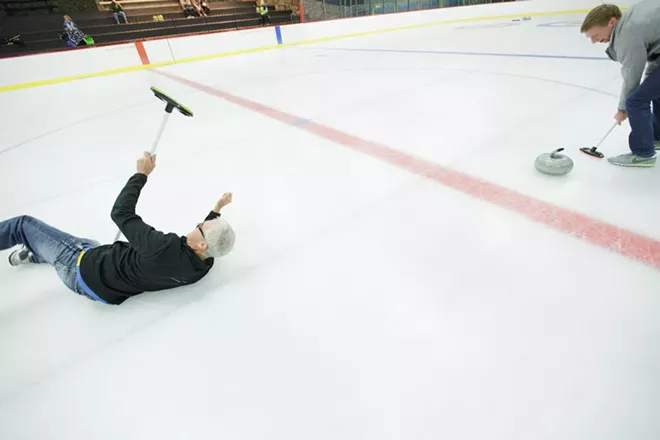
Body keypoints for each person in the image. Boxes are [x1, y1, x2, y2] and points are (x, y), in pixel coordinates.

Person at [1, 152, 236, 305]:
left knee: (23, 225)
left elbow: (120, 213)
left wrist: (141, 174)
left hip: (79, 267)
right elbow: (206, 240)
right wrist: (216, 210)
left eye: (201, 225)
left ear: (202, 244)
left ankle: (40, 251)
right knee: (84, 243)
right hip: (105, 288)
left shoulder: (162, 247)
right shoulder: (202, 265)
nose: (198, 224)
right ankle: (31, 255)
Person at [581, 1, 660, 167]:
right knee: (653, 91)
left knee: (635, 101)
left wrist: (622, 109)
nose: (594, 41)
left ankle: (643, 154)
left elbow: (632, 75)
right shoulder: (628, 18)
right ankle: (657, 137)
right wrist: (652, 70)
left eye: (595, 35)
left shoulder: (628, 33)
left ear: (611, 22)